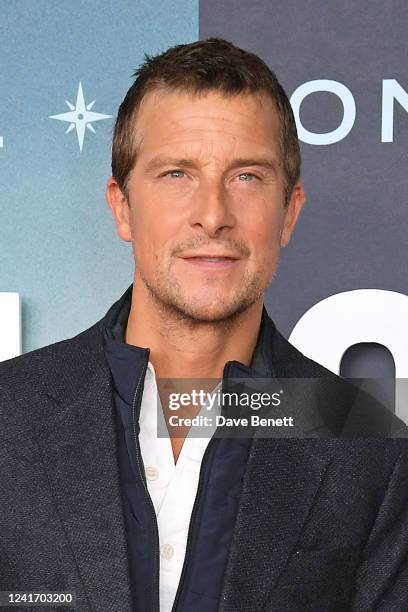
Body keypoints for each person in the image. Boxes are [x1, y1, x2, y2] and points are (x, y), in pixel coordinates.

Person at [0, 38, 407, 612]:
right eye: (176, 174)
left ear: (289, 212)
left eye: (247, 177)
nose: (213, 214)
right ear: (122, 207)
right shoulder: (8, 413)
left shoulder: (370, 442)